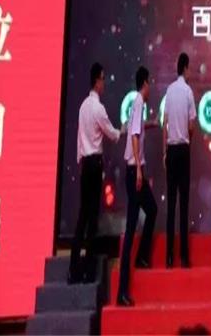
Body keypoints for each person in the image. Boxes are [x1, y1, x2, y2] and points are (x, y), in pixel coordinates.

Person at [68, 62, 122, 284]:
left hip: (85, 164)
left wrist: (80, 161)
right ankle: (89, 271)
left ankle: (73, 269)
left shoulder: (83, 107)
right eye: (103, 79)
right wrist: (122, 130)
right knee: (92, 218)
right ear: (97, 80)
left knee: (83, 216)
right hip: (95, 164)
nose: (104, 83)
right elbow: (111, 133)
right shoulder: (98, 108)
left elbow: (79, 140)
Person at [117, 66, 158, 307]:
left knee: (151, 210)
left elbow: (137, 128)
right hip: (135, 172)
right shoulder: (139, 101)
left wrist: (150, 124)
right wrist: (140, 171)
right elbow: (133, 135)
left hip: (134, 170)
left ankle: (142, 257)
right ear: (145, 83)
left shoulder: (136, 104)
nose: (150, 87)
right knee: (132, 227)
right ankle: (122, 291)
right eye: (149, 83)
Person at [163, 52, 196, 269]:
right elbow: (192, 124)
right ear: (185, 68)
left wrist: (164, 151)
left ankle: (169, 257)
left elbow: (165, 122)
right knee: (184, 204)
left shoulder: (169, 90)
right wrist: (188, 138)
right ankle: (183, 257)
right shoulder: (188, 92)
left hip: (171, 149)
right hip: (183, 149)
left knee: (171, 204)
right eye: (189, 68)